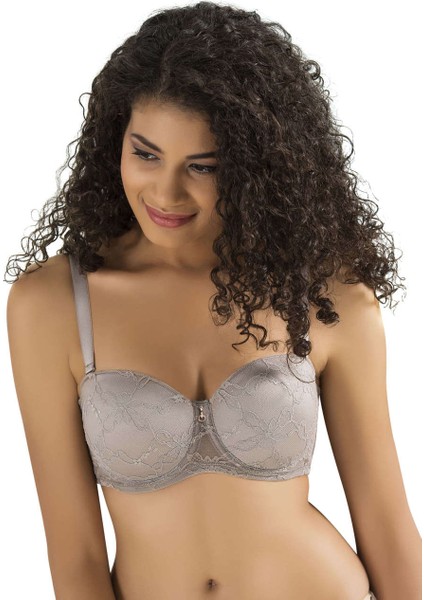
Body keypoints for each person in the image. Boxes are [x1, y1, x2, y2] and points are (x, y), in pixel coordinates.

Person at [4, 2, 421, 598]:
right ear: (114, 141)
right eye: (145, 154)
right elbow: (75, 554)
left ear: (256, 170)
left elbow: (385, 522)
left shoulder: (324, 296)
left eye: (203, 167)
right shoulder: (54, 304)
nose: (165, 192)